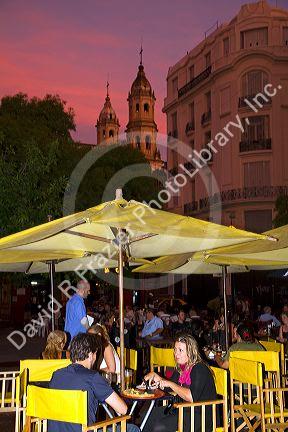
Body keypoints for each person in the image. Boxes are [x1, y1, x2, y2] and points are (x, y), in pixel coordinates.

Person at [49, 333, 139, 432]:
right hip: (85, 430)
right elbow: (123, 410)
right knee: (132, 429)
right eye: (96, 353)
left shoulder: (56, 375)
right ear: (91, 355)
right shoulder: (92, 377)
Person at [143, 333, 217, 432]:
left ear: (190, 352)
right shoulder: (181, 367)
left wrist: (170, 384)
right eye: (175, 349)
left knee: (160, 427)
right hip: (183, 409)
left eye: (180, 350)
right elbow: (170, 387)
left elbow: (191, 397)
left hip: (200, 415)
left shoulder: (200, 368)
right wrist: (157, 378)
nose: (176, 354)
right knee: (149, 415)